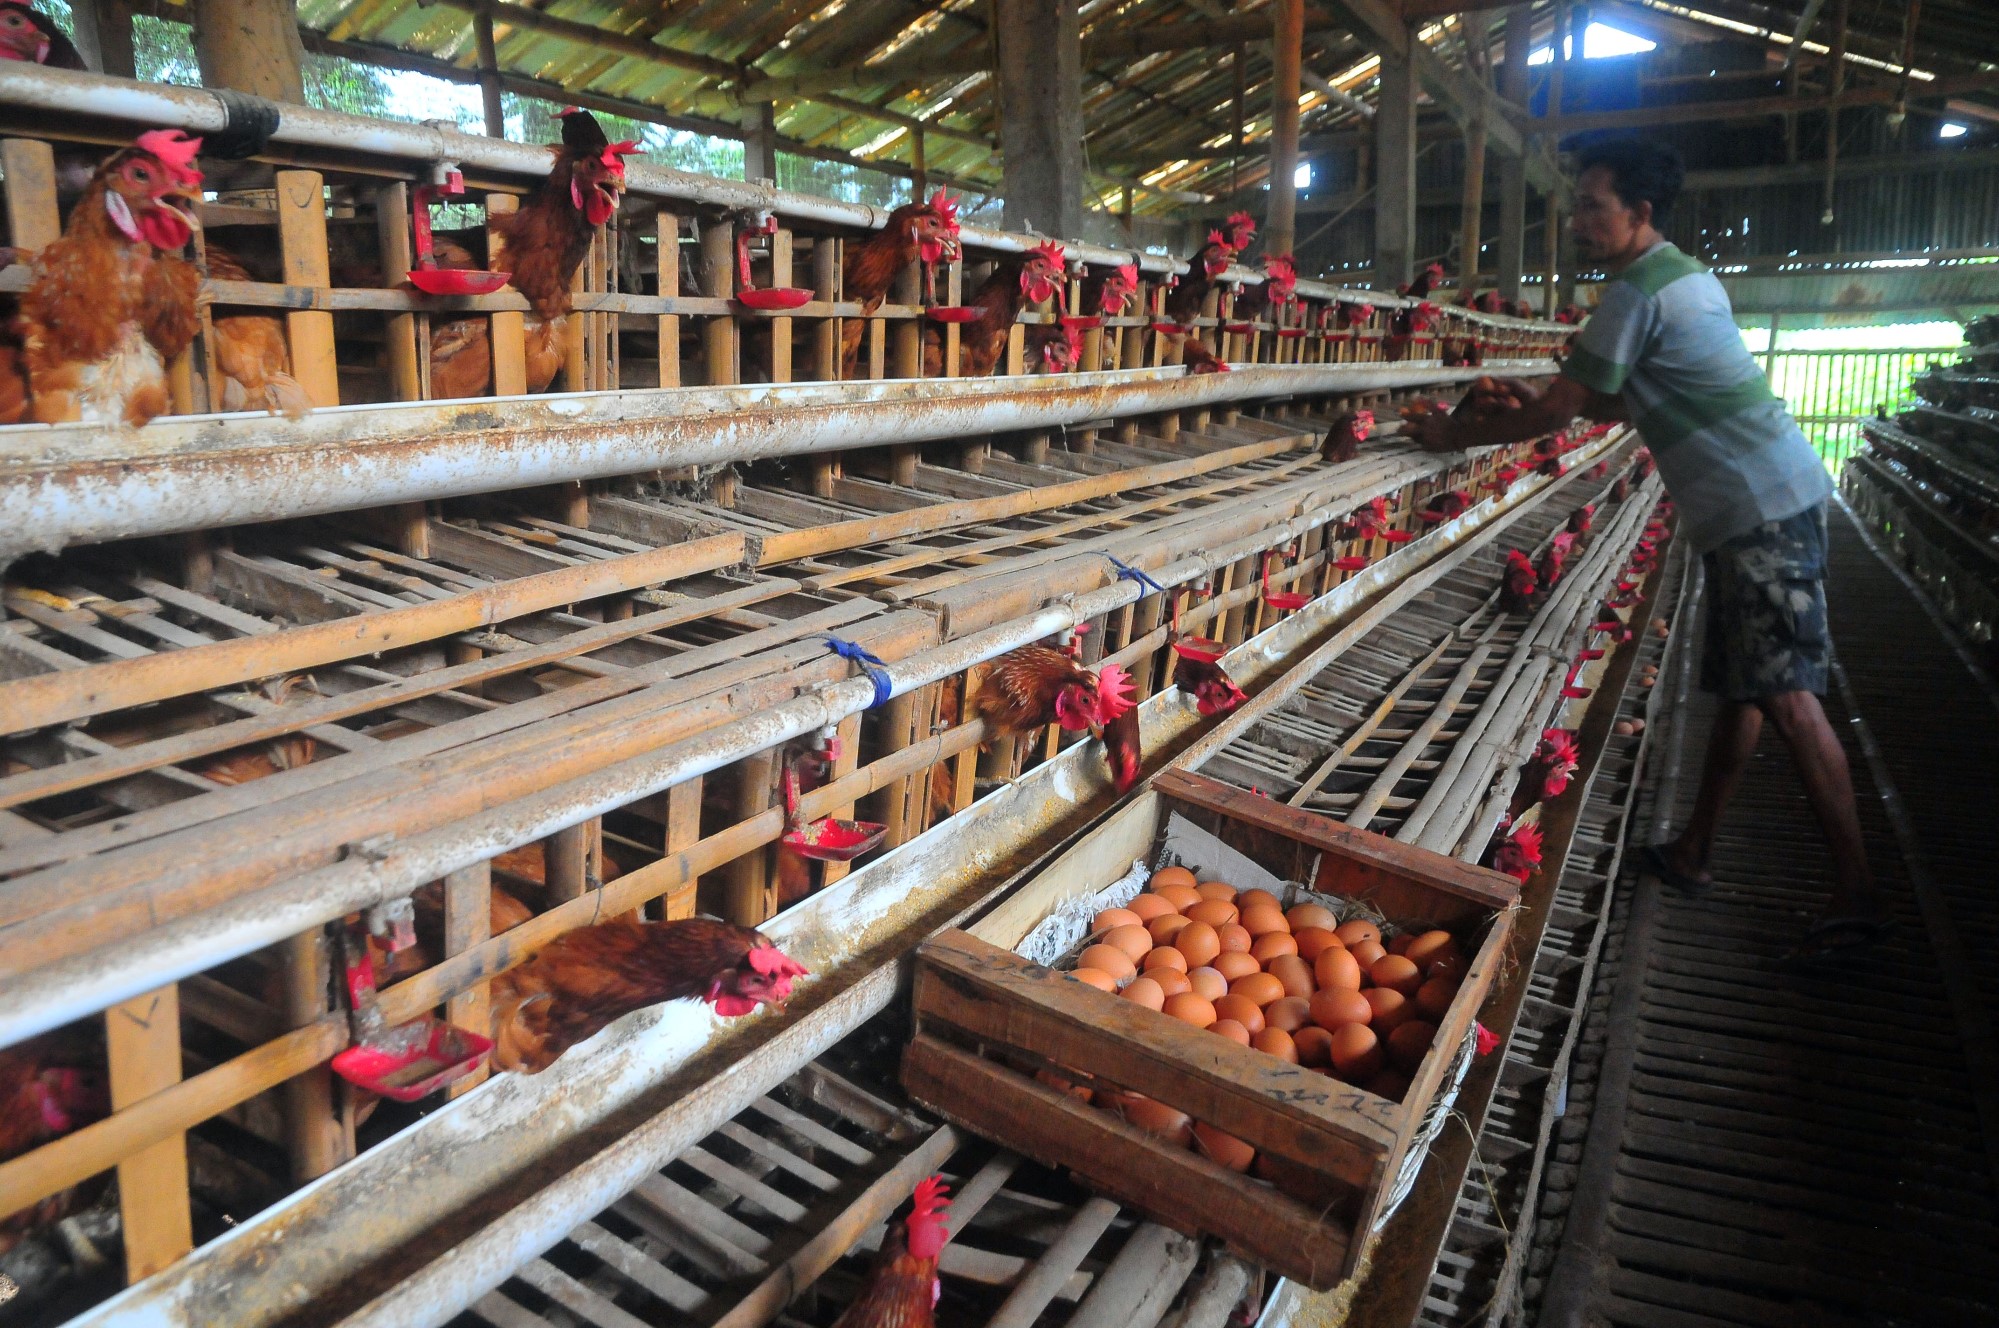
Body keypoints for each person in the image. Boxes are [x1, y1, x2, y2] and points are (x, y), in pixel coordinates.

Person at [1409, 138, 1887, 961]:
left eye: (1593, 205)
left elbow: (1565, 411)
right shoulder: (1685, 276)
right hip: (1769, 500)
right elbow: (1614, 400)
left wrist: (1454, 433)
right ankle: (1695, 850)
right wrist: (1546, 401)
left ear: (1639, 212)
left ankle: (1858, 895)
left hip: (1755, 511)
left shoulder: (1637, 290)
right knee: (1747, 688)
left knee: (1791, 698)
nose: (1578, 220)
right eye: (1578, 204)